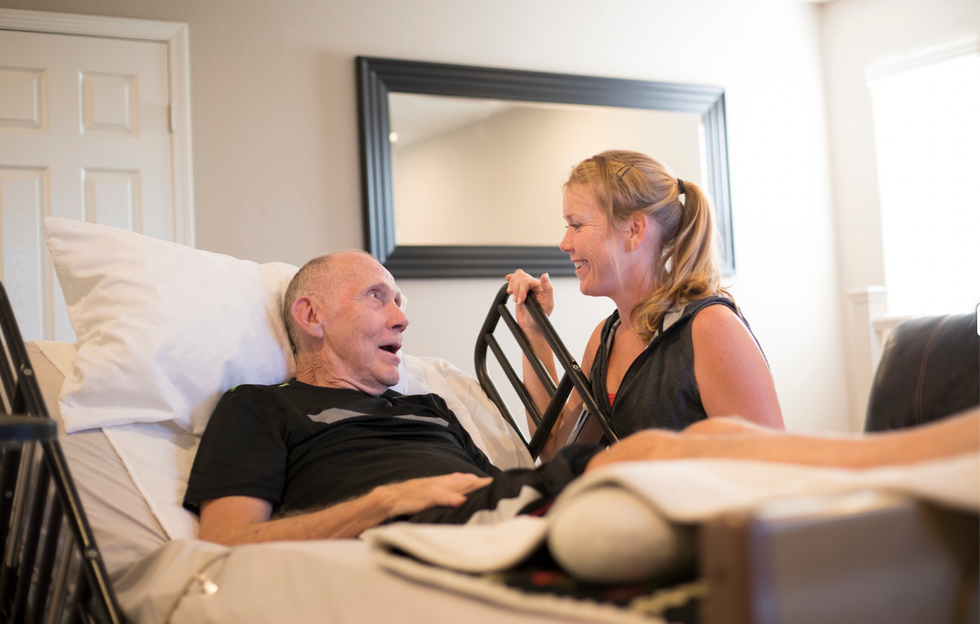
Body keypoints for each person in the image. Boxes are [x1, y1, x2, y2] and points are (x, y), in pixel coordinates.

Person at [184, 250, 978, 547]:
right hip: (427, 527)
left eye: (399, 298)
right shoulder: (260, 407)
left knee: (703, 445)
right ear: (310, 316)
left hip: (492, 509)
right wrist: (383, 502)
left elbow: (538, 460)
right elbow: (224, 539)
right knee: (670, 449)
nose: (403, 314)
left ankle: (908, 476)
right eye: (378, 297)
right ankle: (933, 458)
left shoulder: (425, 406)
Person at [507, 150, 784, 461]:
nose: (565, 243)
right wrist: (535, 334)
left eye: (577, 225)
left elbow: (771, 469)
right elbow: (557, 451)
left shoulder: (711, 329)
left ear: (634, 230)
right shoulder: (605, 339)